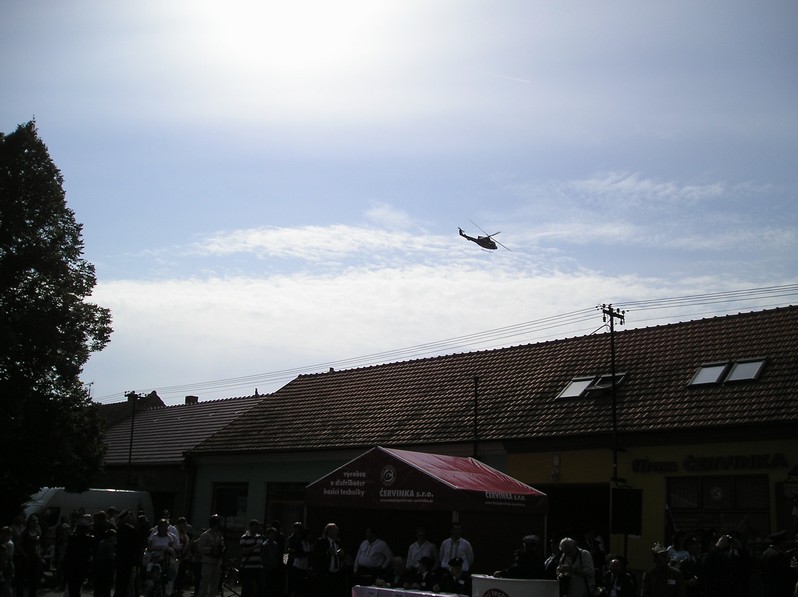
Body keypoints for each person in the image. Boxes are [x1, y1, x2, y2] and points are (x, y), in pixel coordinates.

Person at [62, 515, 95, 597]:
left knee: (72, 589)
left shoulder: (72, 539)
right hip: (82, 569)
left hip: (71, 568)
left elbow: (67, 555)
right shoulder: (89, 540)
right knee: (77, 589)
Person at [311, 523, 345, 597]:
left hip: (336, 575)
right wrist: (327, 553)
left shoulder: (338, 542)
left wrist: (342, 555)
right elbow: (315, 557)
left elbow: (341, 557)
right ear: (329, 532)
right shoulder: (321, 542)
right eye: (335, 531)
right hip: (325, 575)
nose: (337, 533)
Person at [196, 515, 225, 597]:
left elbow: (222, 546)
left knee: (214, 585)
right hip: (208, 562)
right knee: (205, 583)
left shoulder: (219, 534)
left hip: (217, 562)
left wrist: (222, 548)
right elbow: (199, 548)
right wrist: (211, 548)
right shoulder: (205, 535)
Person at [761, 530, 796, 597]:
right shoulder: (778, 554)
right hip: (778, 589)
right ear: (781, 542)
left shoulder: (765, 552)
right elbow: (784, 573)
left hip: (768, 587)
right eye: (784, 542)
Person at [14, 514, 42, 597]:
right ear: (29, 522)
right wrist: (25, 554)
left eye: (36, 520)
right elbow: (18, 544)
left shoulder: (37, 533)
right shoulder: (25, 533)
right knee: (21, 580)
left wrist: (38, 552)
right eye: (33, 520)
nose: (35, 522)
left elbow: (38, 543)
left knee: (34, 579)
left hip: (35, 559)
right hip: (25, 560)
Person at [239, 520, 264, 597]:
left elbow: (262, 551)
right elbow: (243, 551)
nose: (256, 529)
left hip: (258, 566)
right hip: (248, 566)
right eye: (255, 527)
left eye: (257, 527)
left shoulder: (259, 537)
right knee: (247, 587)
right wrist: (255, 546)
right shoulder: (244, 537)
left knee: (261, 586)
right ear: (251, 527)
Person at [286, 526, 311, 597]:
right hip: (298, 566)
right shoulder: (299, 542)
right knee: (296, 586)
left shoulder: (307, 543)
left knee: (302, 586)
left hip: (304, 566)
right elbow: (299, 554)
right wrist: (309, 553)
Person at [93, 528, 117, 597]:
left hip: (99, 567)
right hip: (106, 569)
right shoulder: (109, 545)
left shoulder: (102, 542)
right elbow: (110, 557)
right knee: (106, 588)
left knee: (98, 588)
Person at [261, 526, 283, 597]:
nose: (273, 536)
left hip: (274, 567)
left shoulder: (276, 544)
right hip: (266, 568)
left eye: (274, 534)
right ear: (268, 534)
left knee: (272, 585)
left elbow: (277, 555)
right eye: (271, 534)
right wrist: (266, 563)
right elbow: (262, 556)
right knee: (266, 585)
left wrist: (276, 563)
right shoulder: (264, 544)